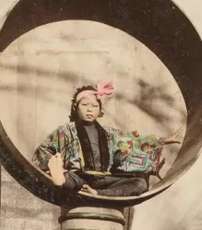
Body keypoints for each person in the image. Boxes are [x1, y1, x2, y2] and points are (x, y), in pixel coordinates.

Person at [33, 81, 182, 198]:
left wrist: (162, 140)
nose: (89, 109)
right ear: (75, 107)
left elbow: (133, 141)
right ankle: (61, 178)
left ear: (100, 111)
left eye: (94, 106)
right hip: (78, 176)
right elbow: (44, 149)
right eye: (84, 105)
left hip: (104, 179)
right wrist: (55, 164)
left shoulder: (109, 133)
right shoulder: (66, 130)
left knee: (140, 184)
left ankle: (98, 193)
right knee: (69, 179)